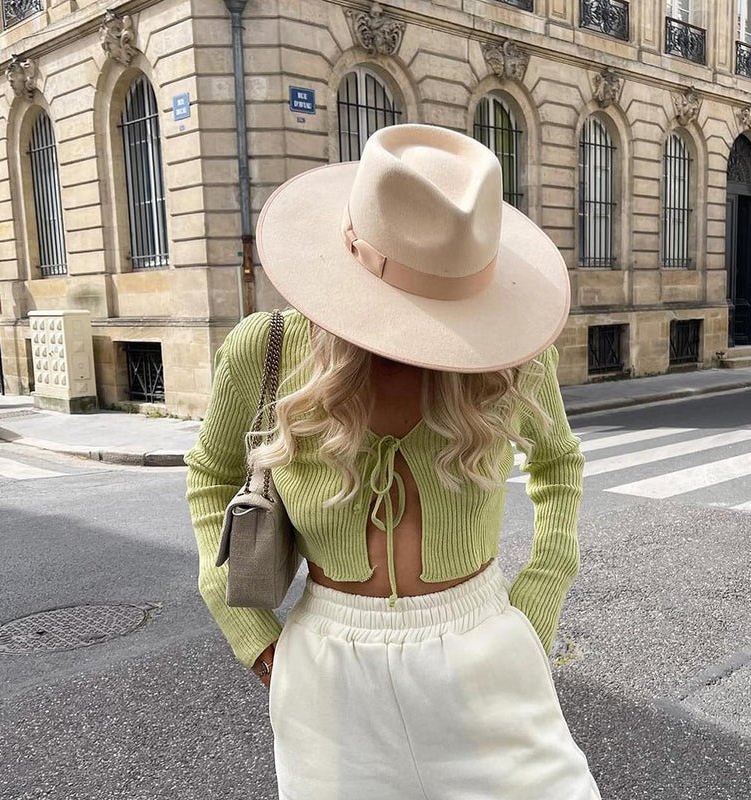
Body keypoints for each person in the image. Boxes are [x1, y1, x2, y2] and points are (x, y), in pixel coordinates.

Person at [185, 123, 601, 799]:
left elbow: (560, 464)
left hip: (485, 649)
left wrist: (540, 594)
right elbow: (209, 474)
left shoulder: (512, 356)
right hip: (327, 674)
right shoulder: (265, 349)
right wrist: (248, 626)